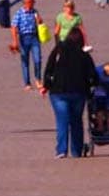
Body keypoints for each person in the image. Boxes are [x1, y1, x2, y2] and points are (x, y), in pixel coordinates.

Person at [41, 28, 98, 158]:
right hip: (79, 92)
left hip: (58, 92)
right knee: (76, 121)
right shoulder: (84, 55)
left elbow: (49, 69)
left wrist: (46, 86)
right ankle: (76, 151)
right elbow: (93, 75)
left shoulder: (58, 51)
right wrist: (92, 87)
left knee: (62, 121)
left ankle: (61, 150)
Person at [10, 0, 44, 91]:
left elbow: (41, 23)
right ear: (26, 3)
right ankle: (27, 83)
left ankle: (38, 79)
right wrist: (15, 41)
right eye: (31, 2)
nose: (33, 4)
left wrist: (39, 20)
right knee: (25, 61)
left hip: (34, 38)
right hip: (23, 38)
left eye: (33, 2)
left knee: (37, 60)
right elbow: (13, 27)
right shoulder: (19, 13)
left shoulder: (35, 12)